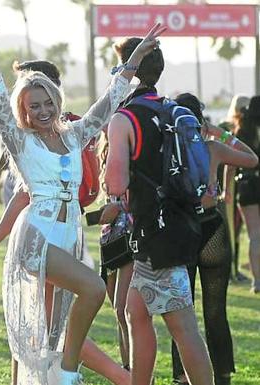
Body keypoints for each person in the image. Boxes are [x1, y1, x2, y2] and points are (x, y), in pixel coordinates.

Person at [0, 16, 163, 385]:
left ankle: (48, 375)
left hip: (69, 236)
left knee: (49, 330)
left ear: (56, 100)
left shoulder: (75, 135)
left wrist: (132, 62)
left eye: (47, 102)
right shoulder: (21, 142)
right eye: (33, 106)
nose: (43, 111)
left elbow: (107, 103)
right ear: (24, 111)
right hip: (36, 239)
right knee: (94, 288)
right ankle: (67, 372)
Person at [105, 38, 215, 385]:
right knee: (134, 311)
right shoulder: (170, 108)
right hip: (177, 222)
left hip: (155, 232)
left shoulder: (124, 117)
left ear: (127, 70)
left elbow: (116, 184)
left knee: (183, 326)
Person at [169, 93, 258, 385]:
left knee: (182, 311)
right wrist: (221, 134)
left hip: (181, 231)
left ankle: (183, 375)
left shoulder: (168, 150)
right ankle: (221, 374)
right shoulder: (213, 148)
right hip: (212, 230)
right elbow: (251, 158)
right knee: (215, 308)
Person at [231, 95, 260, 293]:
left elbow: (232, 162)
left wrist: (226, 189)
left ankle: (256, 281)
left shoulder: (242, 131)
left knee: (254, 235)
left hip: (247, 185)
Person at [221, 94, 250, 282]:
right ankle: (230, 272)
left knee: (237, 231)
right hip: (230, 186)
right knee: (230, 229)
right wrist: (226, 189)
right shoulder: (229, 130)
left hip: (238, 185)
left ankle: (235, 270)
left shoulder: (243, 129)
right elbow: (228, 164)